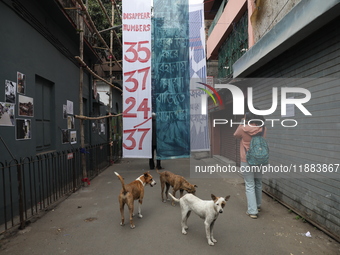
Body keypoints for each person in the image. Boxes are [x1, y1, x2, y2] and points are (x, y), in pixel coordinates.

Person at [234, 111, 267, 219]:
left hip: (247, 159)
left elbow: (236, 135)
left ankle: (252, 211)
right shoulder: (263, 128)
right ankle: (257, 206)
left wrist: (243, 121)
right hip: (260, 159)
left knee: (249, 184)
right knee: (258, 182)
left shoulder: (243, 127)